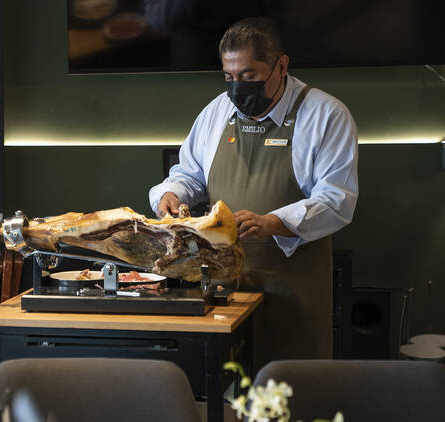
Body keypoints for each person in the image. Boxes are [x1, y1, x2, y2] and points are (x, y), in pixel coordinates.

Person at [149, 17, 358, 370]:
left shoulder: (325, 115)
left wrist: (273, 222)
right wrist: (171, 193)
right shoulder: (217, 111)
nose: (237, 88)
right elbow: (189, 172)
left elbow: (337, 199)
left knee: (293, 391)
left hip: (294, 288)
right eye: (229, 77)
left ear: (281, 65)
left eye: (248, 76)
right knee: (229, 387)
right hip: (224, 287)